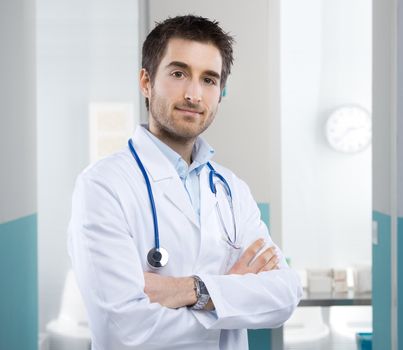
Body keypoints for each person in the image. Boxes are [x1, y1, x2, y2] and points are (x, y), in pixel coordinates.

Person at [68, 15, 302, 350]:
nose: (194, 94)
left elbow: (285, 295)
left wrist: (191, 289)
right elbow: (123, 330)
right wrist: (230, 296)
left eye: (209, 80)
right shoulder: (103, 185)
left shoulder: (231, 188)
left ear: (220, 92)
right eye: (179, 74)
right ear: (146, 82)